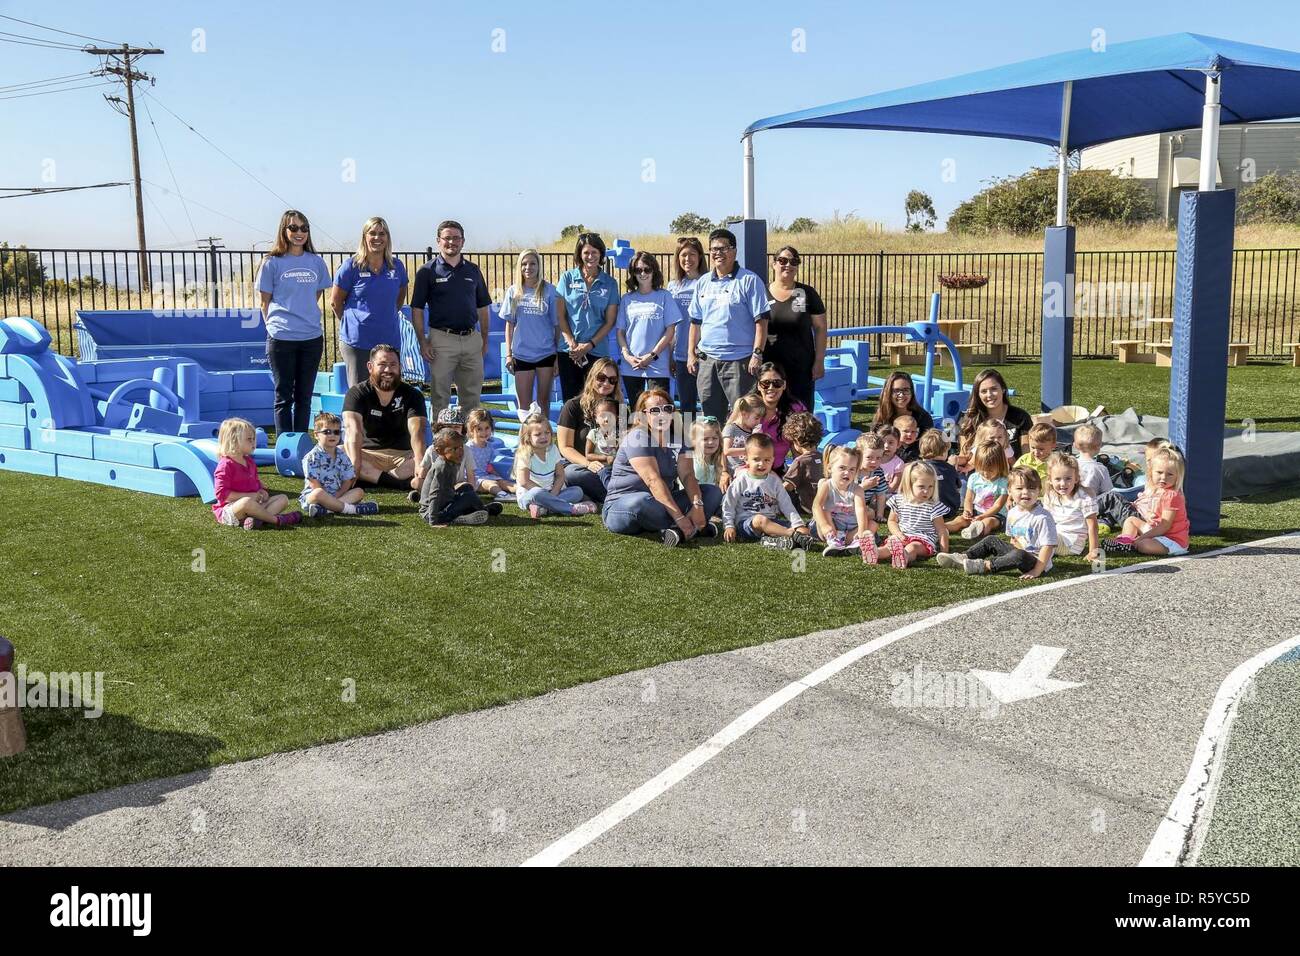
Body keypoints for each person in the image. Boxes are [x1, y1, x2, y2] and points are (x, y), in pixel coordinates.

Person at [601, 388, 723, 546]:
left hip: (661, 503)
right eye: (655, 410)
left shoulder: (681, 438)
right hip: (623, 504)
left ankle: (678, 531)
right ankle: (688, 526)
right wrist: (679, 517)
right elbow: (652, 480)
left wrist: (698, 505)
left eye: (667, 409)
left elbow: (688, 476)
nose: (662, 414)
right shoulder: (637, 436)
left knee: (712, 492)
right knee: (641, 502)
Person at [410, 220, 492, 422]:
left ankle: (468, 445)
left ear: (463, 241)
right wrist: (423, 341)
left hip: (471, 338)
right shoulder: (427, 271)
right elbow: (417, 309)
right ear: (439, 241)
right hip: (441, 339)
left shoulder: (473, 270)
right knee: (440, 397)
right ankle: (441, 445)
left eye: (456, 238)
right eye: (447, 238)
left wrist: (483, 339)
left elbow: (483, 307)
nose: (451, 242)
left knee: (472, 398)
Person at [257, 210, 331, 433]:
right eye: (294, 228)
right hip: (281, 338)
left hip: (311, 338)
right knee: (283, 397)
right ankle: (284, 447)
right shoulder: (271, 262)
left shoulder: (316, 262)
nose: (299, 233)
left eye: (304, 228)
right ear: (284, 230)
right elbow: (264, 303)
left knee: (304, 397)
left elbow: (315, 294)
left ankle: (300, 445)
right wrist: (274, 326)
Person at [687, 228, 771, 422]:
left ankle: (741, 452)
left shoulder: (749, 280)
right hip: (708, 361)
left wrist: (757, 354)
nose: (718, 253)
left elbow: (761, 322)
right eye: (714, 249)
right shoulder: (703, 282)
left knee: (743, 417)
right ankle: (714, 452)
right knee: (710, 418)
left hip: (739, 362)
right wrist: (691, 353)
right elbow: (695, 323)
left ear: (734, 251)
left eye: (723, 248)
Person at [937, 466, 1056, 579]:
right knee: (991, 540)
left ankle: (983, 566)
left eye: (1031, 488)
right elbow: (1013, 539)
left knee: (1019, 555)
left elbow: (1048, 547)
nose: (1025, 492)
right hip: (1018, 554)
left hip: (1036, 562)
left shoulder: (1042, 517)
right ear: (1009, 491)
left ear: (1039, 490)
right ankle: (963, 557)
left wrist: (1037, 571)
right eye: (1019, 488)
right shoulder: (1013, 512)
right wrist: (1007, 556)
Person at [331, 217, 408, 387]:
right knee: (360, 395)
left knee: (388, 391)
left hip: (389, 340)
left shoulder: (397, 266)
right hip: (358, 342)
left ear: (387, 237)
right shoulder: (351, 266)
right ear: (364, 237)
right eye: (372, 233)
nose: (377, 238)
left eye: (382, 233)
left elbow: (399, 298)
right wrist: (354, 323)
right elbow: (336, 302)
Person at [342, 344, 429, 491]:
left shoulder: (413, 395)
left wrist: (420, 463)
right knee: (340, 452)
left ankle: (372, 479)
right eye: (382, 365)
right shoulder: (356, 393)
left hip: (404, 457)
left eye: (393, 365)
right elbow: (352, 431)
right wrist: (355, 464)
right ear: (370, 366)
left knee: (432, 457)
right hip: (368, 455)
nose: (388, 370)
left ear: (400, 367)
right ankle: (403, 483)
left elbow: (417, 432)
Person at [501, 249, 568, 421]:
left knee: (543, 401)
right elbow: (509, 324)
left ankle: (543, 443)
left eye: (532, 263)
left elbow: (557, 326)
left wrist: (556, 357)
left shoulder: (550, 291)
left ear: (539, 266)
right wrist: (508, 355)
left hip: (545, 354)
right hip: (522, 355)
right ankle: (526, 443)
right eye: (524, 263)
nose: (528, 267)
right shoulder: (513, 291)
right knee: (524, 405)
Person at [721, 433, 814, 551]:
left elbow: (787, 505)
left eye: (767, 460)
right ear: (746, 458)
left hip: (771, 522)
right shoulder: (741, 480)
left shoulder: (774, 481)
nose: (762, 464)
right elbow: (728, 504)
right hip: (746, 524)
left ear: (772, 460)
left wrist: (797, 524)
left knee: (804, 530)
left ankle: (774, 541)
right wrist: (729, 526)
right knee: (760, 520)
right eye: (756, 459)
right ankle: (791, 535)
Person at [555, 232, 620, 400]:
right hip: (569, 351)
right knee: (571, 401)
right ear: (580, 254)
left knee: (597, 400)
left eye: (594, 252)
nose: (590, 256)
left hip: (597, 351)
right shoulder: (567, 278)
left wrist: (589, 345)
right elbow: (560, 316)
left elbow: (610, 321)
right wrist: (573, 344)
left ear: (601, 254)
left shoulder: (610, 283)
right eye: (586, 252)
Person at [764, 245, 827, 412]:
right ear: (774, 264)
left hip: (801, 368)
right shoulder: (761, 292)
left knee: (801, 417)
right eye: (783, 260)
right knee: (770, 416)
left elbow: (820, 328)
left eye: (793, 262)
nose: (788, 265)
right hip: (770, 368)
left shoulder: (807, 293)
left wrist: (819, 361)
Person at [616, 251, 680, 405]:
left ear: (654, 271)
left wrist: (652, 355)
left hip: (657, 365)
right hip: (631, 365)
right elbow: (620, 332)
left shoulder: (665, 296)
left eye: (647, 269)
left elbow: (670, 331)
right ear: (633, 273)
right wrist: (626, 356)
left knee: (659, 410)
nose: (643, 273)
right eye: (638, 270)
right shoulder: (627, 299)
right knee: (636, 412)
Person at [211, 417, 299, 529]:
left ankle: (257, 520)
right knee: (246, 502)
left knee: (283, 499)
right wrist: (249, 496)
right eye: (249, 439)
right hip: (231, 509)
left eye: (253, 439)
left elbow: (256, 484)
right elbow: (222, 495)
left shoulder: (249, 462)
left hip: (254, 505)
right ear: (234, 441)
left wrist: (262, 491)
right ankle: (277, 520)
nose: (254, 442)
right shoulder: (225, 465)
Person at [556, 357, 622, 503]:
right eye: (601, 377)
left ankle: (605, 495)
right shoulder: (572, 406)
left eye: (612, 380)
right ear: (592, 377)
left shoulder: (620, 409)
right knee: (573, 474)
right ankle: (615, 497)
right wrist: (588, 463)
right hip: (580, 465)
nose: (606, 383)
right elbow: (565, 447)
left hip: (612, 466)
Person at [1104, 445, 1190, 556]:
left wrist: (1141, 538)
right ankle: (1126, 541)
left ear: (1177, 477)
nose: (1163, 478)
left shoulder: (1172, 496)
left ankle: (1132, 545)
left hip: (1172, 540)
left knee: (1144, 545)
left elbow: (1165, 526)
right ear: (1151, 472)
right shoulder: (1156, 490)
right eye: (1159, 472)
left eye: (1170, 474)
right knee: (1131, 520)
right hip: (1156, 532)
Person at [515, 413, 598, 519]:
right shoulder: (524, 454)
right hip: (530, 496)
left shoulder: (553, 449)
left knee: (577, 491)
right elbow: (524, 481)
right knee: (536, 493)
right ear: (528, 438)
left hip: (553, 493)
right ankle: (571, 509)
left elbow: (560, 475)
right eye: (538, 434)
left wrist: (553, 493)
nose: (544, 437)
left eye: (547, 433)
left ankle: (544, 509)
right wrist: (544, 494)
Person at [300, 411, 378, 517]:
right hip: (315, 497)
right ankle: (352, 509)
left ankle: (328, 510)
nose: (332, 435)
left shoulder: (342, 455)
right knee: (319, 493)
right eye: (327, 432)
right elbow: (314, 484)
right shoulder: (311, 457)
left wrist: (337, 496)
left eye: (336, 432)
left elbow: (348, 480)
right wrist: (328, 499)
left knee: (359, 491)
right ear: (316, 435)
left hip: (337, 495)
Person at [812, 444, 876, 563]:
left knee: (872, 525)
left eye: (852, 469)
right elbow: (816, 506)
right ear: (830, 468)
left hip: (851, 530)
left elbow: (861, 510)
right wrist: (824, 525)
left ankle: (856, 544)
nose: (847, 473)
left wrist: (861, 530)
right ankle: (834, 541)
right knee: (825, 511)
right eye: (842, 468)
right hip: (832, 528)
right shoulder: (826, 485)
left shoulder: (857, 489)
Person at [954, 368, 1035, 463]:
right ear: (978, 394)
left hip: (1012, 473)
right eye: (984, 391)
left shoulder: (1020, 417)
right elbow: (964, 456)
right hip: (977, 473)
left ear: (1003, 389)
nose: (989, 395)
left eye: (994, 389)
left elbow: (1026, 456)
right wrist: (954, 460)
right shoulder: (967, 419)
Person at [417, 428, 491, 527]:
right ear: (439, 451)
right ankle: (474, 512)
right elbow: (435, 493)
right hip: (433, 513)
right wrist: (434, 521)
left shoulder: (452, 461)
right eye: (455, 449)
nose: (460, 451)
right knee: (468, 497)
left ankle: (479, 509)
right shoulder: (441, 467)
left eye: (461, 447)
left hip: (445, 503)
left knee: (467, 488)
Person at [884, 460, 949, 568]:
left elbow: (942, 530)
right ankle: (874, 552)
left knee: (912, 547)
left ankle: (903, 557)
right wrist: (898, 534)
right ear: (909, 484)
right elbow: (892, 521)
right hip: (903, 536)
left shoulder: (934, 506)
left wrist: (944, 552)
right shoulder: (898, 500)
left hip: (923, 540)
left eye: (930, 487)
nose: (926, 491)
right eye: (921, 487)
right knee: (889, 546)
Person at [668, 237, 705, 413]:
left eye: (692, 254)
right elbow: (671, 325)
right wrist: (670, 355)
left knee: (710, 406)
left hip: (705, 355)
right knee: (687, 407)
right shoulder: (672, 286)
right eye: (683, 255)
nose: (688, 259)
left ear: (700, 257)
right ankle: (689, 440)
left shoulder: (708, 282)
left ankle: (712, 440)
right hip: (681, 356)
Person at [1043, 451, 1100, 560]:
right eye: (1058, 479)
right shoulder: (1050, 495)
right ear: (1050, 479)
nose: (1063, 484)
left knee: (1041, 540)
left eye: (1068, 478)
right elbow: (1046, 521)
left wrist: (1093, 552)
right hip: (1056, 536)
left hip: (1071, 544)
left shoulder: (1084, 498)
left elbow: (1093, 526)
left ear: (1076, 478)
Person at [750, 361, 807, 471]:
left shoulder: (795, 409)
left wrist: (800, 474)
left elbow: (800, 445)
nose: (771, 387)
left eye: (777, 383)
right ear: (758, 385)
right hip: (748, 469)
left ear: (784, 385)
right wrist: (724, 471)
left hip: (777, 470)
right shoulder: (747, 407)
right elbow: (729, 436)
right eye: (765, 383)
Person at [949, 440, 1009, 539]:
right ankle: (943, 528)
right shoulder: (974, 477)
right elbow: (969, 498)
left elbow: (998, 505)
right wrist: (968, 511)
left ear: (1000, 465)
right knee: (960, 519)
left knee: (989, 522)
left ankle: (976, 531)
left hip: (995, 515)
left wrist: (983, 516)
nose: (985, 473)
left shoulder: (1003, 482)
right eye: (982, 469)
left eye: (990, 470)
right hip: (976, 512)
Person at [464, 408, 515, 498]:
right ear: (472, 430)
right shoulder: (468, 448)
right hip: (474, 479)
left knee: (504, 482)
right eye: (479, 429)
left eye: (487, 428)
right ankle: (503, 495)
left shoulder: (489, 447)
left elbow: (488, 466)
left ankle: (522, 491)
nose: (484, 432)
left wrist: (496, 474)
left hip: (486, 475)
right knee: (491, 484)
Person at [781, 411, 824, 516]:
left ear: (797, 441)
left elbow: (788, 486)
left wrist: (772, 491)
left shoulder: (800, 461)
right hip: (823, 503)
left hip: (806, 506)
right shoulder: (823, 457)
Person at [872, 371, 935, 435]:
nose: (901, 395)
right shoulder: (881, 418)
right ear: (888, 393)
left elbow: (930, 443)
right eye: (896, 390)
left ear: (911, 392)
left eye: (906, 390)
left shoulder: (923, 418)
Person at [920, 428, 962, 519]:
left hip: (926, 511)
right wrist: (954, 467)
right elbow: (958, 486)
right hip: (950, 510)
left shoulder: (918, 469)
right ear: (944, 451)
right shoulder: (950, 468)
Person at [723, 394, 766, 474]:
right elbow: (726, 451)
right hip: (735, 470)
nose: (759, 422)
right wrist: (749, 450)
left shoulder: (752, 431)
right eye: (756, 418)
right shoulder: (731, 428)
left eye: (760, 418)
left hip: (748, 467)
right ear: (744, 414)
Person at [855, 432, 889, 528]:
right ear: (858, 454)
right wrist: (863, 487)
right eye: (869, 457)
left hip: (863, 505)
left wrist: (880, 515)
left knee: (870, 513)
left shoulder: (878, 472)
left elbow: (881, 495)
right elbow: (844, 494)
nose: (874, 461)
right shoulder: (852, 470)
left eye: (878, 458)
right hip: (846, 504)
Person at [1072, 424, 1114, 499]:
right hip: (1092, 505)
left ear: (1074, 445)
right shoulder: (1101, 469)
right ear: (1099, 446)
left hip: (1072, 502)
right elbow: (1108, 492)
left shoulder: (1070, 464)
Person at [689, 415, 729, 492]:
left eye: (714, 438)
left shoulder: (716, 460)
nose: (711, 442)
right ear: (694, 441)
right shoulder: (694, 463)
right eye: (705, 439)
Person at [584, 397, 621, 466]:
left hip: (616, 467)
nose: (606, 419)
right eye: (603, 415)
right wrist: (605, 458)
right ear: (596, 418)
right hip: (600, 467)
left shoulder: (620, 434)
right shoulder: (593, 433)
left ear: (617, 417)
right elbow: (588, 455)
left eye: (610, 415)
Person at [877, 423, 904, 490]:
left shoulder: (898, 463)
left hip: (888, 493)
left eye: (891, 442)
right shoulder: (874, 459)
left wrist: (882, 494)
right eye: (883, 443)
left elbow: (894, 484)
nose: (886, 446)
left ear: (898, 444)